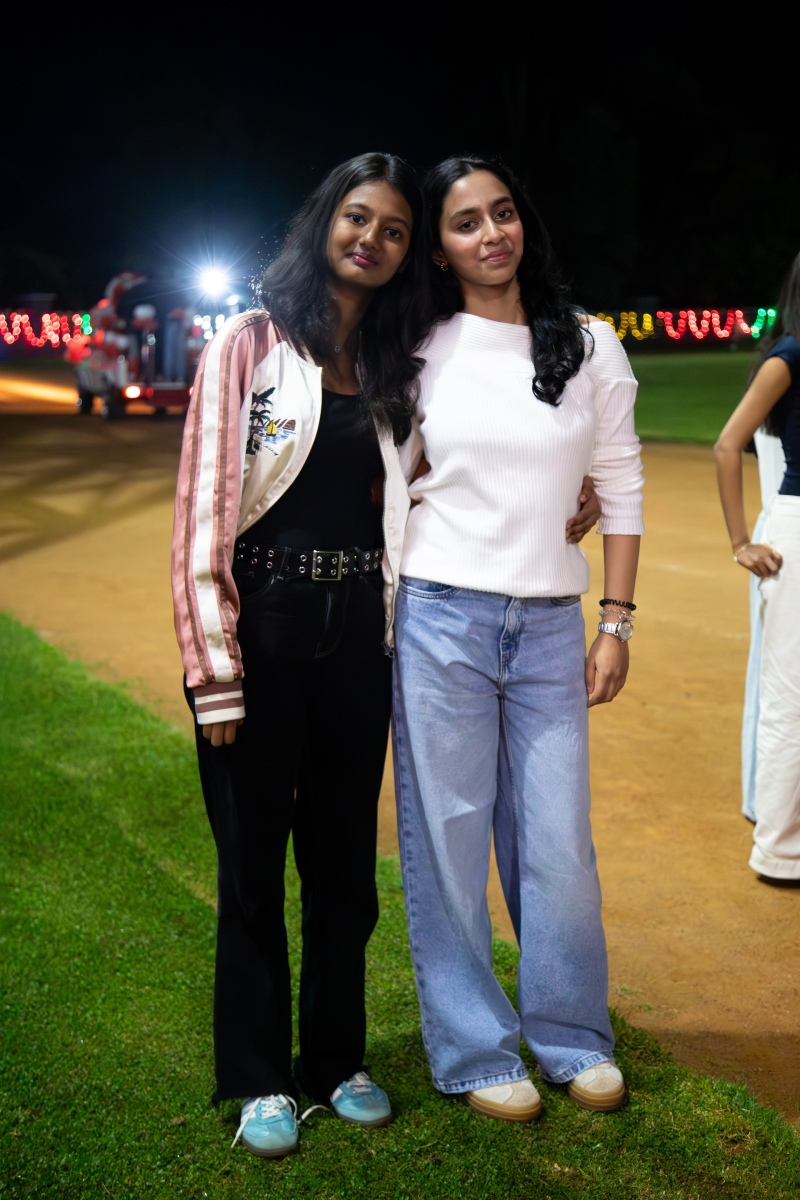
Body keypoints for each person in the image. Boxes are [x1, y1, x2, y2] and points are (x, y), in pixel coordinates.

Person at [171, 153, 425, 1158]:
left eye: (394, 229)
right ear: (326, 221)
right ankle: (257, 1075)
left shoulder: (396, 363)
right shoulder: (251, 341)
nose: (372, 239)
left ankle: (332, 1060)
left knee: (341, 865)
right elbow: (203, 509)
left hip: (357, 631)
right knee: (252, 865)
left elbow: (432, 489)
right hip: (263, 624)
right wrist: (214, 671)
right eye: (358, 217)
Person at [387, 156, 644, 1122]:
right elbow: (387, 472)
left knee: (559, 844)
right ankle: (474, 1050)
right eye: (465, 223)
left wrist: (615, 621)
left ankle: (571, 1035)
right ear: (439, 248)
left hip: (546, 626)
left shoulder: (588, 343)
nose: (491, 234)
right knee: (448, 841)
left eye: (502, 213)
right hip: (439, 615)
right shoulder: (417, 345)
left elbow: (621, 483)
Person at [714, 252, 800, 885]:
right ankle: (780, 849)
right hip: (796, 526)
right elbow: (727, 444)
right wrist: (742, 541)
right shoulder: (789, 354)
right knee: (791, 693)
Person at [740, 429, 785, 823]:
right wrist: (739, 543)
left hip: (780, 527)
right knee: (773, 676)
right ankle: (762, 800)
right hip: (783, 538)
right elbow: (729, 444)